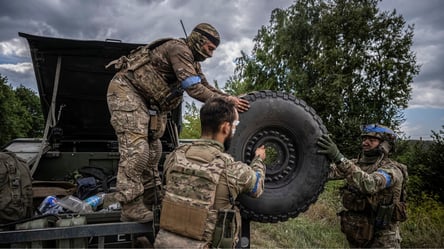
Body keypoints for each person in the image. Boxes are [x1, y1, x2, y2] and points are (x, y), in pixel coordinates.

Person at [105, 23, 250, 222]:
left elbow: (206, 86)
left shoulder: (193, 63)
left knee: (154, 150)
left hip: (148, 101)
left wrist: (229, 98)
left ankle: (152, 199)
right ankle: (130, 206)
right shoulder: (178, 49)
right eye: (209, 48)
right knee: (137, 151)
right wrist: (228, 101)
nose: (211, 55)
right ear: (198, 40)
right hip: (127, 90)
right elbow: (195, 89)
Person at [154, 97, 266, 248]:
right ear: (226, 128)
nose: (234, 129)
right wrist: (258, 159)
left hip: (165, 244)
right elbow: (257, 187)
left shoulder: (174, 156)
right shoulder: (233, 170)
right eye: (235, 125)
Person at [317, 124, 408, 248]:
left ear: (385, 145)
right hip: (359, 233)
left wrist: (338, 157)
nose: (365, 143)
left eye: (372, 140)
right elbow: (326, 172)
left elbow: (370, 184)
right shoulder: (357, 164)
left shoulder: (392, 170)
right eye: (364, 139)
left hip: (383, 239)